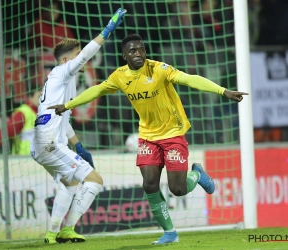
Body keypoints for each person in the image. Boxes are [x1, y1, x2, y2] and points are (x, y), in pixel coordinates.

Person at [48, 34, 248, 244]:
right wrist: (68, 105)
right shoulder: (119, 76)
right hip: (147, 136)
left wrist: (222, 91)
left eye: (141, 49)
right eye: (133, 51)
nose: (138, 54)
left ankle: (196, 174)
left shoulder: (158, 69)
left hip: (172, 133)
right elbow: (97, 90)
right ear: (124, 55)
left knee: (177, 189)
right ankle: (170, 233)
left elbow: (189, 78)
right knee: (149, 184)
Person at [30, 8, 127, 244]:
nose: (83, 58)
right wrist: (106, 31)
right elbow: (85, 55)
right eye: (77, 54)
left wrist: (79, 146)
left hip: (44, 143)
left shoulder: (63, 81)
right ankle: (64, 230)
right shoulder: (62, 72)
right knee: (95, 180)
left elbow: (64, 121)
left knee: (71, 183)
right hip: (50, 143)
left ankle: (56, 232)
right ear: (66, 60)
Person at [0, 84, 41, 155]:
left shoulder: (43, 114)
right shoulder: (22, 114)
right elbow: (3, 134)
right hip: (24, 161)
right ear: (30, 97)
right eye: (39, 96)